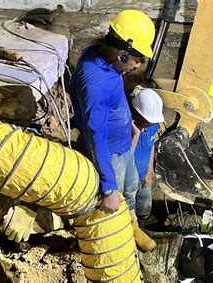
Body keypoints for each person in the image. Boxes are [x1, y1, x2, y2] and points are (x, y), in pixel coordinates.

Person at [69, 10, 156, 250]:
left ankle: (133, 228)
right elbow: (96, 136)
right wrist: (108, 187)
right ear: (123, 53)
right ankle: (117, 242)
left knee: (129, 191)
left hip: (123, 148)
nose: (138, 65)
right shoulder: (96, 83)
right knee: (113, 203)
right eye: (137, 59)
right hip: (110, 154)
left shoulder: (104, 60)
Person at [130, 88, 164, 228]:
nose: (150, 124)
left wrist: (150, 171)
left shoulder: (152, 125)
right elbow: (124, 157)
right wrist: (136, 135)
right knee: (129, 212)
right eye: (148, 121)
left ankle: (143, 226)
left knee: (144, 207)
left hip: (144, 175)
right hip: (129, 179)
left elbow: (150, 146)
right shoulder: (127, 127)